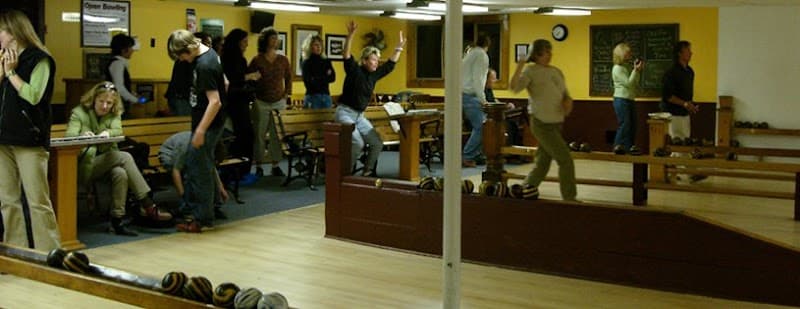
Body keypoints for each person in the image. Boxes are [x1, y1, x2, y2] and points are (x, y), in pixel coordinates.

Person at [65, 82, 174, 236]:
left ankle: (117, 220)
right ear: (93, 99)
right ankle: (148, 203)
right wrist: (81, 137)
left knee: (120, 173)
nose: (104, 106)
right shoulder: (79, 113)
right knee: (124, 156)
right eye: (101, 101)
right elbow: (69, 137)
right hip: (83, 165)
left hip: (105, 163)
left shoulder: (114, 114)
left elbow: (117, 131)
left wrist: (108, 134)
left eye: (109, 103)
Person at [0, 9, 61, 251]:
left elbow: (34, 97)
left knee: (37, 201)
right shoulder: (3, 57)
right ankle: (17, 250)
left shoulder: (40, 60)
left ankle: (49, 252)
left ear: (15, 32)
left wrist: (12, 73)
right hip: (3, 137)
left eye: (1, 31)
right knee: (7, 200)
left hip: (29, 138)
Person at [167, 29, 226, 233]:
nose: (182, 60)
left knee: (198, 170)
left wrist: (200, 131)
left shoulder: (205, 65)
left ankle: (202, 218)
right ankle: (208, 208)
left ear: (189, 48)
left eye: (181, 55)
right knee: (201, 165)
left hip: (208, 124)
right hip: (211, 122)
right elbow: (225, 83)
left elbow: (215, 101)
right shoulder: (210, 54)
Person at [510, 39, 577, 201]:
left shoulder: (556, 71)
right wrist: (520, 65)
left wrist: (567, 101)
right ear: (536, 54)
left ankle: (525, 189)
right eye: (545, 52)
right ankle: (570, 198)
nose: (549, 55)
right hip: (541, 123)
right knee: (565, 159)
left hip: (556, 122)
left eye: (550, 51)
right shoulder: (530, 71)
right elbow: (514, 87)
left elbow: (564, 93)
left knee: (543, 163)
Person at [335, 20, 405, 176]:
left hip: (359, 116)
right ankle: (345, 173)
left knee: (376, 143)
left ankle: (367, 171)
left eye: (377, 59)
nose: (376, 62)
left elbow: (390, 65)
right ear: (365, 60)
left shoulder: (373, 76)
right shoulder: (354, 71)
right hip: (344, 112)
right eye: (373, 59)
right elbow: (346, 55)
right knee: (357, 142)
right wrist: (350, 35)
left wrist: (399, 48)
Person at [248, 27, 292, 177]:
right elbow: (249, 77)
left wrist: (287, 94)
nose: (275, 41)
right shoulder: (257, 59)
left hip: (279, 101)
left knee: (277, 135)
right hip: (261, 101)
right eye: (272, 38)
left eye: (276, 38)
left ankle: (275, 164)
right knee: (259, 134)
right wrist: (253, 94)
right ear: (265, 40)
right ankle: (259, 164)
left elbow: (289, 77)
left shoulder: (283, 59)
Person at [158, 131, 229, 220]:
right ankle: (186, 209)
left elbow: (211, 167)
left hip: (188, 151)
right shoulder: (186, 147)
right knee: (189, 174)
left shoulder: (208, 146)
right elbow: (176, 171)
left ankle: (214, 207)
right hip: (169, 153)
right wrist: (182, 195)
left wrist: (221, 188)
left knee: (204, 171)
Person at [661, 40, 705, 182]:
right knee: (678, 144)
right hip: (672, 114)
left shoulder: (690, 71)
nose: (691, 53)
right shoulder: (670, 73)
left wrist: (690, 105)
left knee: (683, 144)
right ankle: (691, 173)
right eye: (688, 50)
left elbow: (687, 94)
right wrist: (685, 104)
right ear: (680, 53)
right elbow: (668, 96)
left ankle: (670, 173)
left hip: (685, 113)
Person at [221, 28, 260, 182]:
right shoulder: (227, 60)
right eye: (244, 42)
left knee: (246, 136)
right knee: (242, 136)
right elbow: (231, 80)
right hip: (233, 101)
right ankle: (238, 170)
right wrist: (249, 76)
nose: (246, 45)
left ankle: (243, 169)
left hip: (242, 100)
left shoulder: (241, 59)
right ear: (236, 43)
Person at [461, 34, 491, 167]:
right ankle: (468, 155)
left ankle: (475, 154)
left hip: (462, 94)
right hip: (471, 95)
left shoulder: (469, 53)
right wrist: (483, 99)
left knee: (481, 126)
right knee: (482, 126)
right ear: (487, 46)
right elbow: (478, 79)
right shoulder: (481, 56)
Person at [612, 42, 645, 155]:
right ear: (621, 54)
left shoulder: (625, 67)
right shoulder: (617, 68)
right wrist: (635, 70)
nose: (630, 55)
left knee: (633, 125)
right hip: (621, 99)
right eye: (628, 53)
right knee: (625, 124)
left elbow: (634, 82)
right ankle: (617, 148)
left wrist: (637, 71)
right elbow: (629, 84)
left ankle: (629, 148)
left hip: (629, 99)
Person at [106, 33, 143, 118]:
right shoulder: (117, 64)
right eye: (130, 48)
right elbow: (119, 88)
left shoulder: (118, 63)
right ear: (124, 50)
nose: (132, 50)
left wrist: (132, 93)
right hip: (117, 105)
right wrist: (135, 100)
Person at [301, 34, 335, 109]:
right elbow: (309, 82)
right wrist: (325, 77)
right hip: (312, 97)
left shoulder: (326, 61)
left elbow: (332, 78)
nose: (319, 47)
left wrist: (316, 78)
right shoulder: (306, 63)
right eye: (316, 45)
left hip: (326, 96)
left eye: (320, 45)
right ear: (310, 47)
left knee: (327, 120)